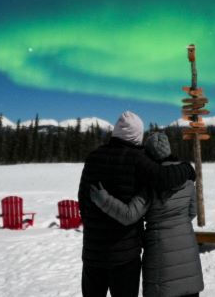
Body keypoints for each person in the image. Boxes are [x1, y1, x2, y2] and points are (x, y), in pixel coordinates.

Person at [78, 112, 196, 297]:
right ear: (137, 135)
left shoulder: (93, 157)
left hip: (93, 252)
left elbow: (82, 202)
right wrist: (187, 168)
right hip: (125, 255)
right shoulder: (137, 159)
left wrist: (94, 230)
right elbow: (164, 178)